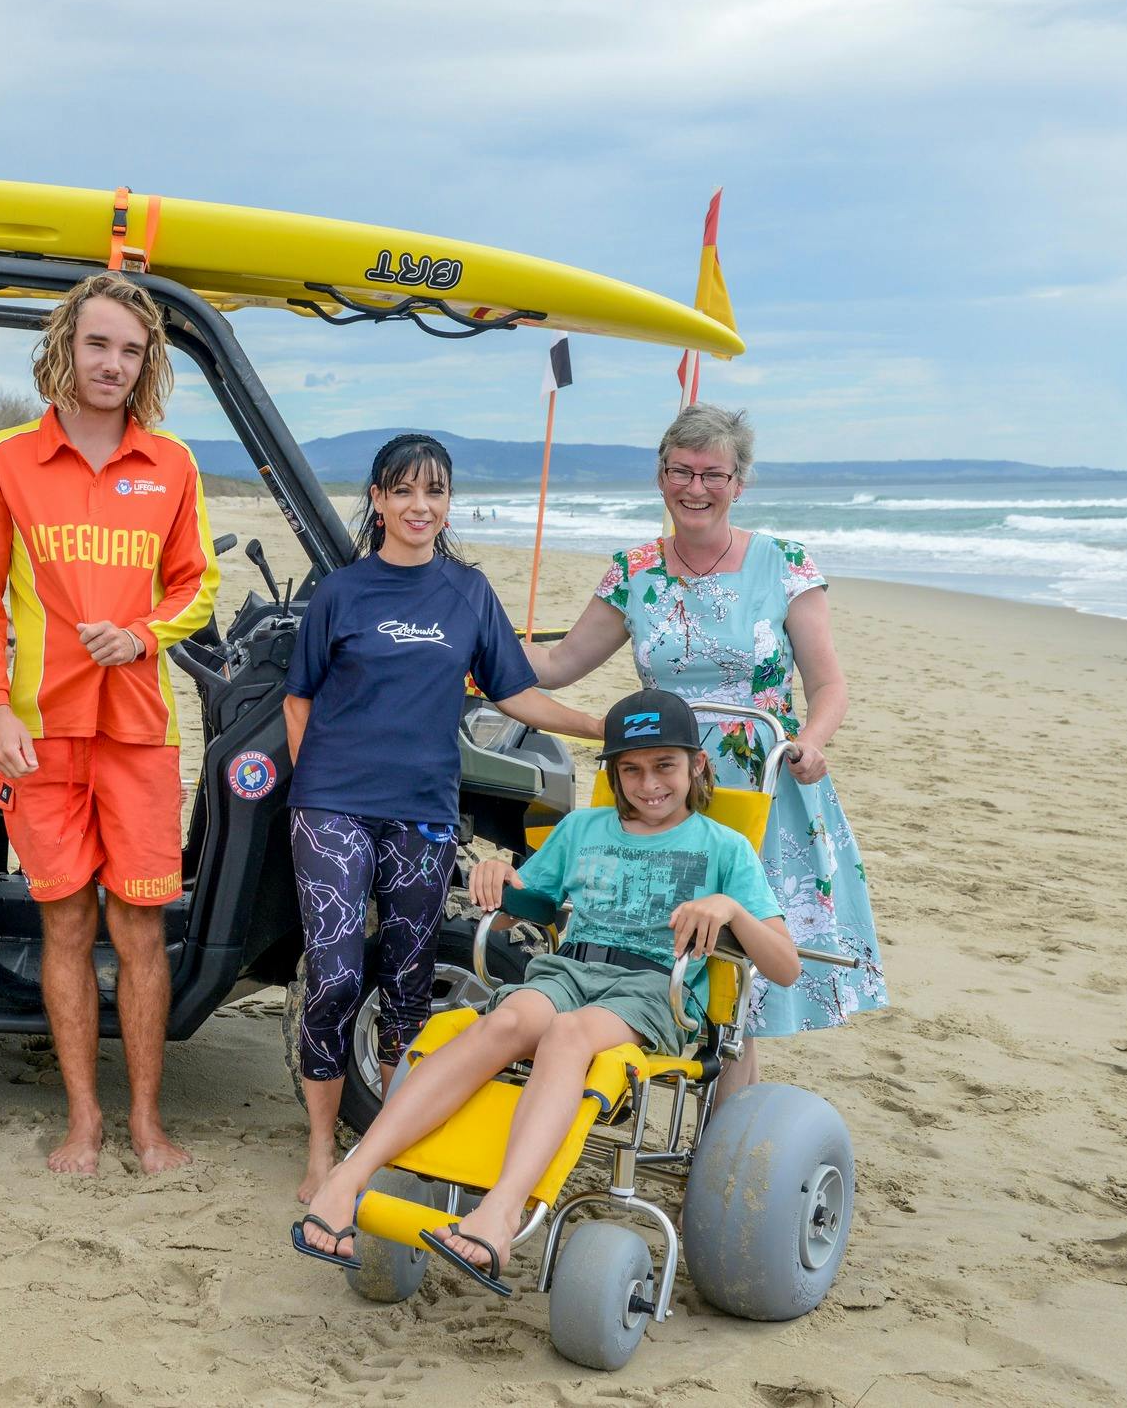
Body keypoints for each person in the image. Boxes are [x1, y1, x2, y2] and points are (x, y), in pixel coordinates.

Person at [294, 688, 800, 1285]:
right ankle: (350, 1175)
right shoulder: (582, 829)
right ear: (613, 774)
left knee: (567, 1034)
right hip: (568, 971)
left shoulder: (724, 848)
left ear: (697, 766)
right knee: (508, 1020)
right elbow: (516, 909)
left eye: (665, 766)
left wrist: (729, 910)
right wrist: (498, 878)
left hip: (648, 990)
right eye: (630, 770)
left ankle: (503, 1210)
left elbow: (785, 966)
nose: (648, 784)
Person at [527, 403, 885, 1105]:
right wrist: (471, 640)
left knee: (737, 977)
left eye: (713, 473)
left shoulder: (783, 564)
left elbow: (829, 684)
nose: (697, 487)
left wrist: (812, 741)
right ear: (661, 477)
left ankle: (721, 1143)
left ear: (739, 483)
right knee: (651, 953)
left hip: (762, 785)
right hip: (656, 783)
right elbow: (561, 661)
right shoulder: (632, 571)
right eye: (682, 472)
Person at [280, 433, 604, 1203]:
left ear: (447, 502)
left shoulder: (467, 593)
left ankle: (394, 1147)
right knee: (331, 978)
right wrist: (319, 785)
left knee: (407, 985)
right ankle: (322, 1150)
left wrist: (601, 726)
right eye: (404, 491)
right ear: (378, 501)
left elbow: (514, 694)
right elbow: (300, 700)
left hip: (423, 813)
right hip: (333, 808)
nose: (420, 506)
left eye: (435, 492)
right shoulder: (343, 591)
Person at [0, 271, 220, 1175]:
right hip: (40, 732)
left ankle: (147, 1122)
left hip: (142, 732)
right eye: (98, 343)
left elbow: (199, 586)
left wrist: (142, 632)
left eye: (131, 350)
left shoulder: (174, 465)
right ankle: (84, 1121)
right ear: (66, 347)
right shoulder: (7, 459)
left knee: (139, 928)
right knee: (65, 925)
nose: (112, 363)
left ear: (147, 365)